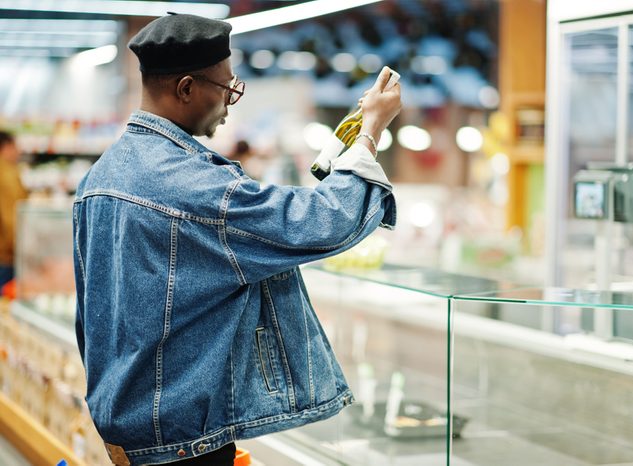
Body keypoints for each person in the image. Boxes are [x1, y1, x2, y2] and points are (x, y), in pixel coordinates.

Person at [72, 13, 401, 466]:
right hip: (182, 443)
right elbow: (321, 221)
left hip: (131, 430)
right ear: (186, 88)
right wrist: (370, 132)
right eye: (227, 88)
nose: (230, 103)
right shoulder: (189, 184)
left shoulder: (99, 178)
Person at [0, 130, 28, 288]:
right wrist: (23, 251)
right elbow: (11, 219)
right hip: (5, 258)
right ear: (6, 147)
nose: (18, 151)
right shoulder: (7, 175)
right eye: (15, 146)